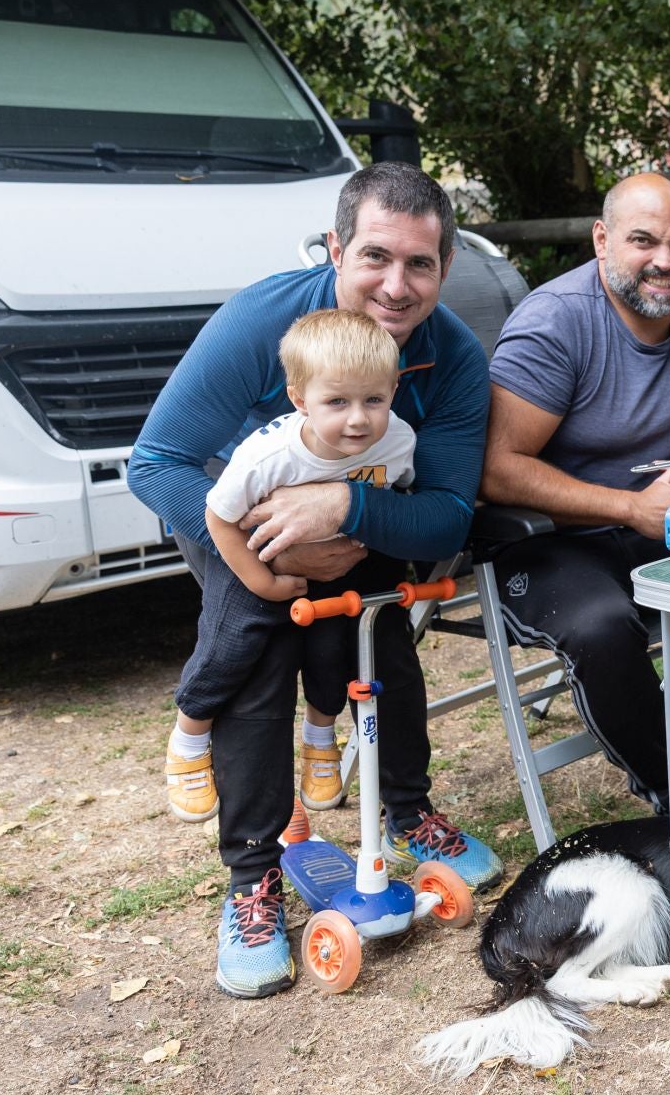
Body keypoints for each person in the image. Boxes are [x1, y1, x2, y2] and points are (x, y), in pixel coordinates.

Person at [131, 161, 502, 1000]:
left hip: (359, 510)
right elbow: (155, 464)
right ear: (336, 248)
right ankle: (254, 878)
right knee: (260, 664)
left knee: (380, 644)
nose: (396, 286)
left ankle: (407, 810)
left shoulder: (452, 357)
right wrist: (264, 563)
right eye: (376, 256)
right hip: (235, 515)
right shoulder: (261, 322)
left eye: (421, 264)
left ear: (445, 267)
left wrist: (340, 505)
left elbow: (445, 517)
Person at [478, 173, 670, 804]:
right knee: (601, 626)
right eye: (643, 241)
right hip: (557, 540)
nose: (665, 262)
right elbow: (498, 469)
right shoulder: (555, 324)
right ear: (601, 240)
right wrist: (630, 508)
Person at [163, 308, 416, 825]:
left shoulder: (398, 442)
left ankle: (320, 740)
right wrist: (265, 580)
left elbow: (400, 494)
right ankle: (189, 736)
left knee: (333, 653)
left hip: (337, 558)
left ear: (394, 388)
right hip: (252, 555)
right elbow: (217, 517)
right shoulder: (270, 456)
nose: (357, 419)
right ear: (300, 399)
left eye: (374, 400)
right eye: (337, 402)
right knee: (234, 645)